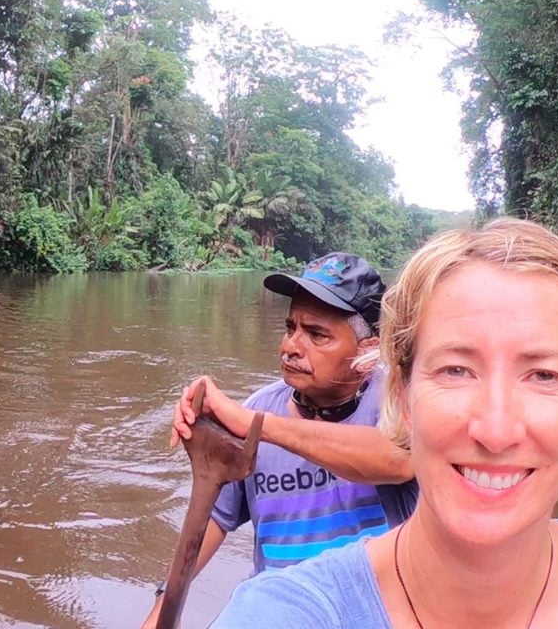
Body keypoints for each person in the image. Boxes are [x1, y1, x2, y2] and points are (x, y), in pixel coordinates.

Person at [209, 218, 558, 628]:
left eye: (544, 374)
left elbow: (390, 459)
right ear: (402, 394)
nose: (495, 428)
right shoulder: (282, 613)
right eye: (455, 370)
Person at [141, 252, 418, 629]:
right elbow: (214, 521)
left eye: (316, 334)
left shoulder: (396, 400)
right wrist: (163, 605)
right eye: (291, 328)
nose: (291, 346)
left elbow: (399, 461)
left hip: (374, 609)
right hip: (279, 610)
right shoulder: (261, 408)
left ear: (367, 352)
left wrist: (258, 426)